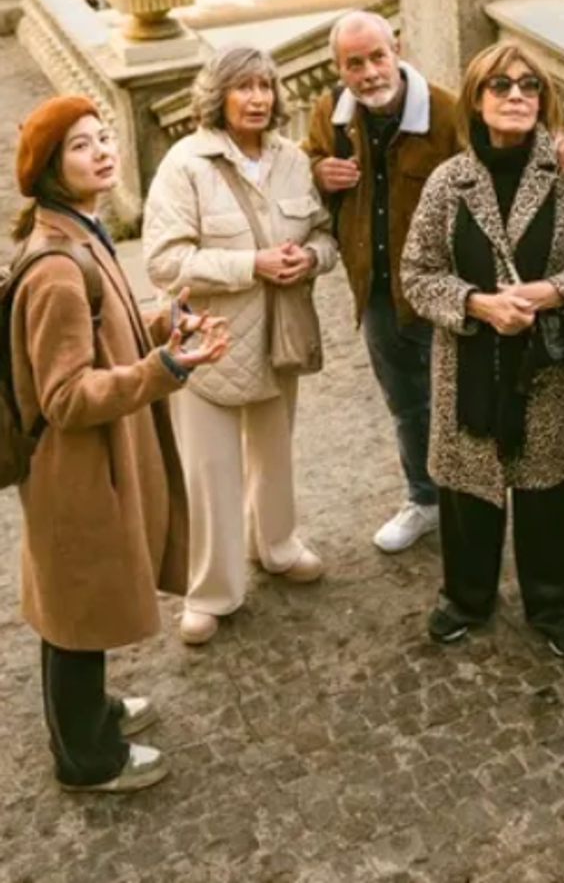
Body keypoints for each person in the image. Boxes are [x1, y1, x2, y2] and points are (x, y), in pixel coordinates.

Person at [7, 95, 230, 792]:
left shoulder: (79, 233)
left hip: (91, 462)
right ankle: (86, 760)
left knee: (82, 599)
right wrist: (166, 370)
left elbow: (107, 328)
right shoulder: (55, 271)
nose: (103, 150)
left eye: (104, 138)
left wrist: (164, 322)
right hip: (75, 467)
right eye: (80, 145)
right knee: (76, 609)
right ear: (48, 169)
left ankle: (91, 714)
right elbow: (68, 397)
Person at [399, 41, 564, 661]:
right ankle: (466, 598)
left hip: (548, 367)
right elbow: (417, 273)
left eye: (529, 86)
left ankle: (556, 605)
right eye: (500, 85)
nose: (516, 96)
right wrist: (478, 304)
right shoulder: (451, 182)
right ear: (476, 99)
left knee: (550, 488)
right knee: (467, 490)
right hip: (469, 365)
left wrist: (553, 291)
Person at [143, 46, 338, 645]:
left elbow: (325, 237)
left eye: (265, 86)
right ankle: (210, 592)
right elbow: (163, 261)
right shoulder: (185, 165)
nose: (258, 98)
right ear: (218, 95)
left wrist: (309, 257)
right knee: (211, 472)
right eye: (243, 87)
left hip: (280, 335)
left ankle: (277, 546)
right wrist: (250, 264)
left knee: (275, 454)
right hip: (210, 343)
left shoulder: (291, 160)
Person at [301, 11, 462, 553]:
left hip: (442, 288)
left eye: (377, 57)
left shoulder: (445, 112)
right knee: (406, 403)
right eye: (355, 63)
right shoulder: (330, 113)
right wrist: (319, 173)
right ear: (338, 68)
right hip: (375, 289)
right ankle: (424, 499)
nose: (369, 73)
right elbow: (306, 170)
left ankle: (471, 500)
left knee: (460, 397)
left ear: (397, 48)